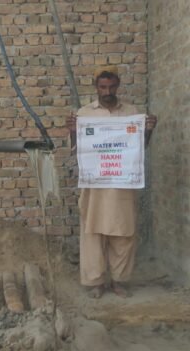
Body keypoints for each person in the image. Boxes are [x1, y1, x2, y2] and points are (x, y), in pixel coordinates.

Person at [66, 66, 157, 299]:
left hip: (121, 186)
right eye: (103, 87)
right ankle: (96, 282)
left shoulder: (131, 112)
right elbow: (76, 150)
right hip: (94, 187)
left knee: (123, 234)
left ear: (118, 86)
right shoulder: (84, 114)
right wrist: (73, 130)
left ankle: (118, 281)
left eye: (112, 86)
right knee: (93, 234)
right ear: (96, 87)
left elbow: (139, 147)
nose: (107, 91)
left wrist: (148, 130)